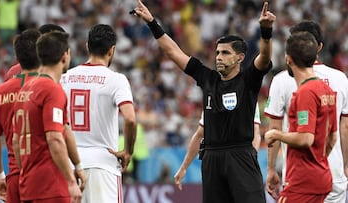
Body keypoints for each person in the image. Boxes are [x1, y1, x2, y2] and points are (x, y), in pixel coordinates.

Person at [132, 1, 275, 202]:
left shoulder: (248, 80)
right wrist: (152, 23)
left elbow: (264, 58)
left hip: (241, 155)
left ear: (240, 58)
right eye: (217, 52)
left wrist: (266, 32)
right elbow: (173, 52)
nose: (219, 57)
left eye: (225, 53)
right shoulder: (208, 78)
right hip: (211, 157)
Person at [264, 20, 348, 203]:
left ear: (289, 57)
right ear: (318, 48)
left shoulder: (293, 87)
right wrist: (331, 162)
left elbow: (305, 137)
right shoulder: (336, 82)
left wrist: (276, 136)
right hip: (331, 173)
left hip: (302, 179)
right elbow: (340, 131)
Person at [61, 24, 137, 203]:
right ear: (112, 50)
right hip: (103, 165)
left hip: (69, 164)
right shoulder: (116, 80)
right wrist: (128, 151)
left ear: (87, 46)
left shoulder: (65, 78)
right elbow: (130, 119)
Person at [12, 31, 82, 203]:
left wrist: (28, 171)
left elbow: (16, 141)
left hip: (29, 186)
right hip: (51, 187)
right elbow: (55, 138)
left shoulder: (24, 90)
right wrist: (71, 181)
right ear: (64, 56)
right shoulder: (52, 90)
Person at [0, 29, 41, 202]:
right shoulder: (48, 87)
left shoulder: (2, 91)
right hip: (44, 178)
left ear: (17, 57)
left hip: (14, 176)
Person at [174, 103, 262, 191]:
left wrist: (251, 162)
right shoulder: (211, 96)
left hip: (238, 159)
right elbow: (200, 134)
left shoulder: (248, 95)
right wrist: (183, 167)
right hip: (220, 162)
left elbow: (255, 132)